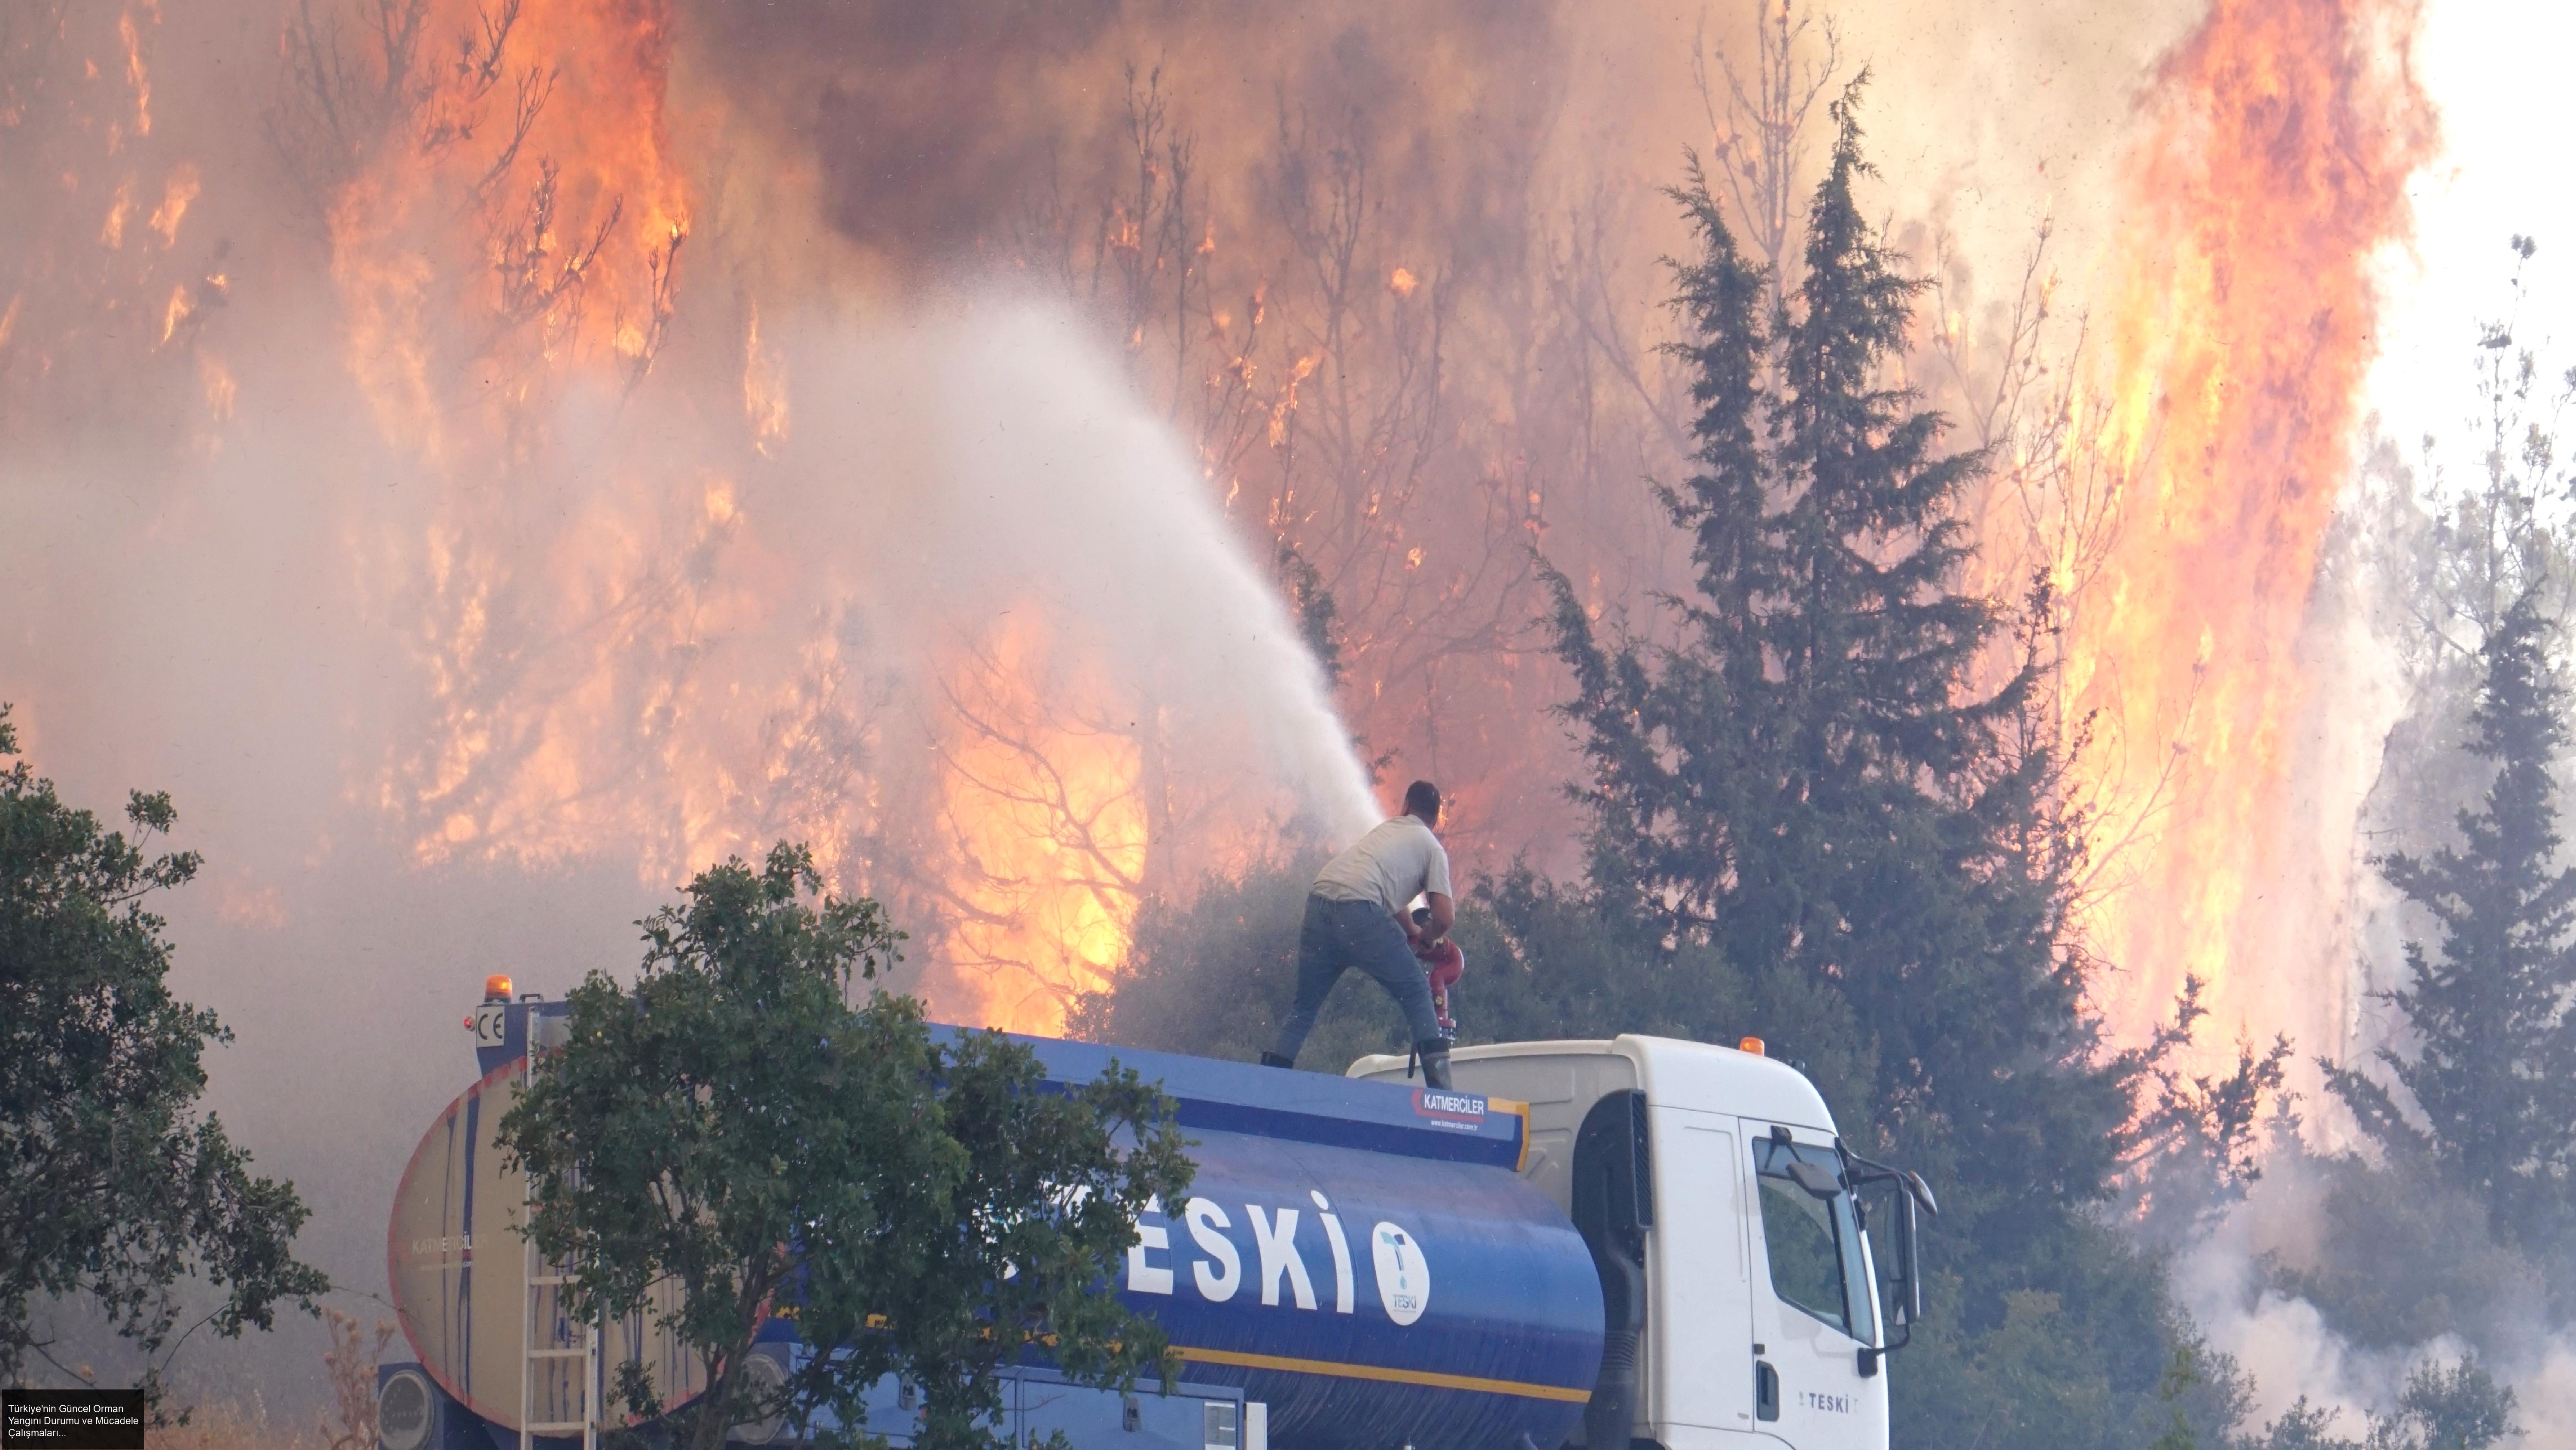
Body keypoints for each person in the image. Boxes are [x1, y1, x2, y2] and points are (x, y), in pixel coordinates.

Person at [1262, 780, 1458, 1088]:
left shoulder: (1386, 831)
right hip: (1357, 913)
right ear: (1435, 819)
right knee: (1416, 992)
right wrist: (1429, 937)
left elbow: (1382, 888)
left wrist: (1411, 930)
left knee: (1303, 1009)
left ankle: (1267, 1085)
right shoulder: (1431, 848)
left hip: (1319, 904)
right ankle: (1443, 1095)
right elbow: (1445, 917)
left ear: (1406, 807)